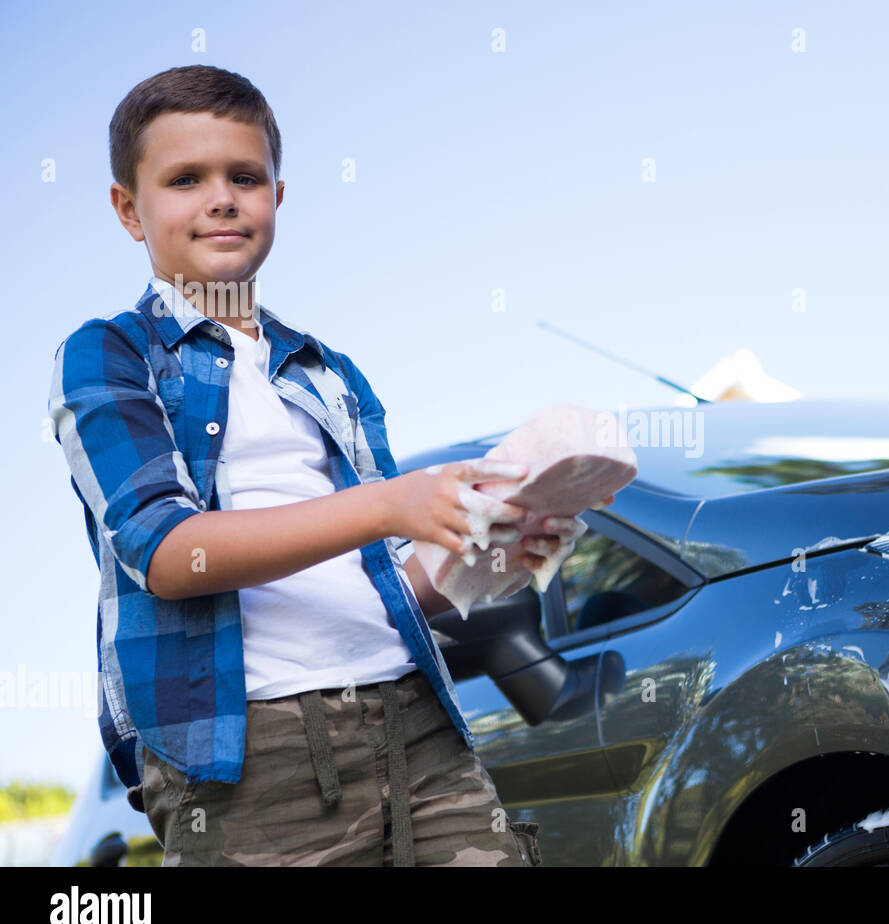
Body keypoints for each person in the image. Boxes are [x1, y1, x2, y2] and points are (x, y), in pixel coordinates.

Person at [46, 64, 609, 866]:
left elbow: (375, 581)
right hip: (247, 761)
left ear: (278, 195)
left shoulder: (326, 370)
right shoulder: (109, 353)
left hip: (416, 725)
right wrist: (390, 507)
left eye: (246, 176)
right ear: (128, 210)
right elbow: (168, 554)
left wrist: (480, 559)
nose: (222, 197)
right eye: (185, 179)